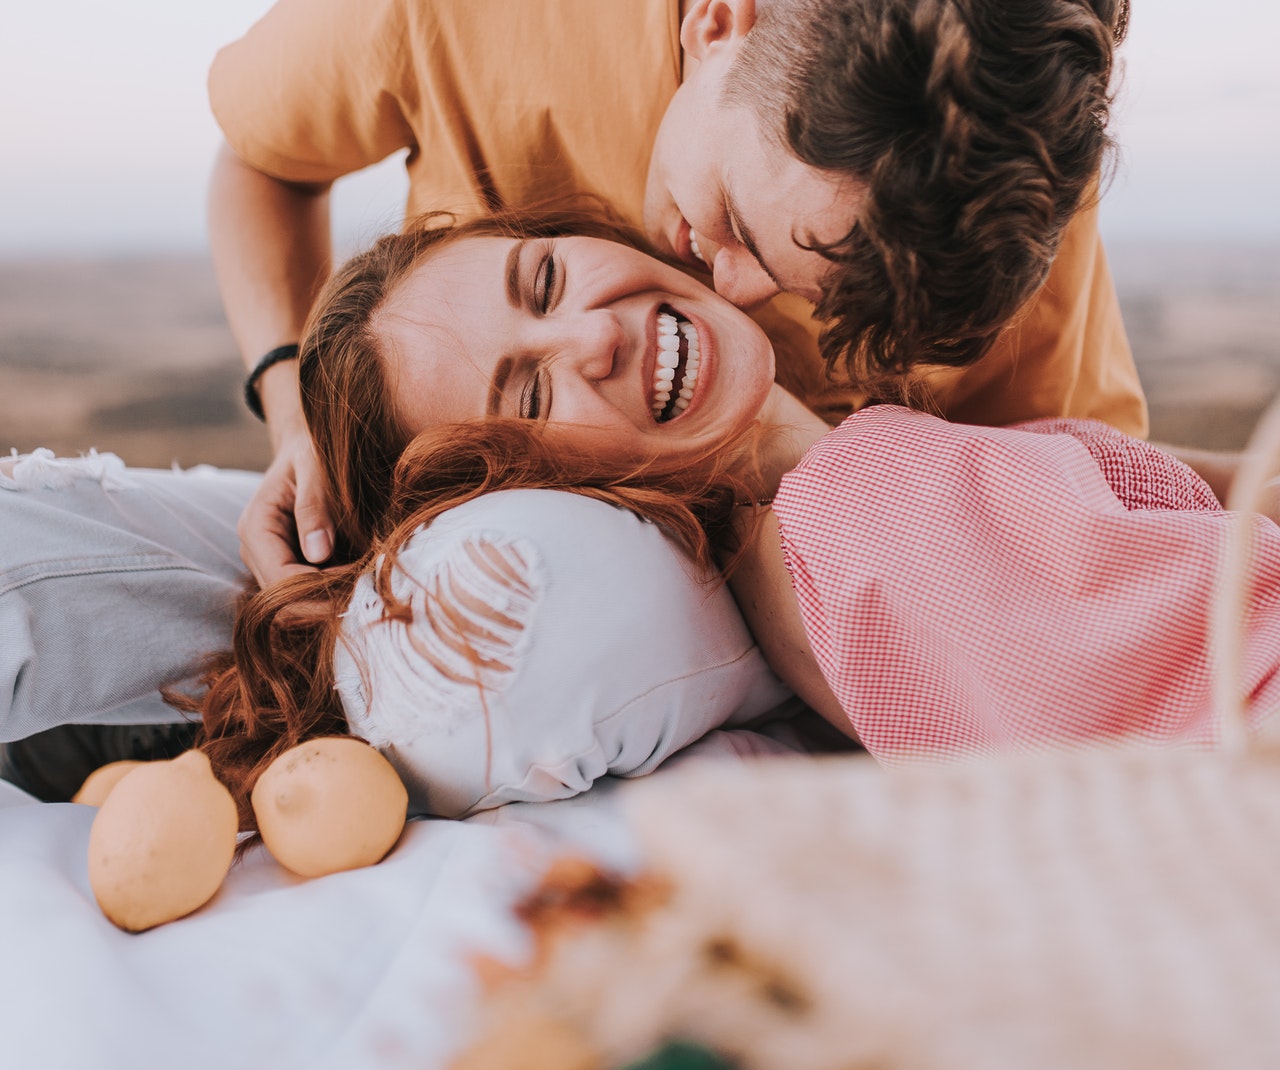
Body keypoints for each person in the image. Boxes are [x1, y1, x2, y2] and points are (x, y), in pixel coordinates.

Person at [205, 0, 1143, 586]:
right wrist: (296, 416)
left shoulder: (999, 188)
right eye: (734, 220)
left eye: (804, 289)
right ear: (718, 27)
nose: (733, 291)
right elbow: (263, 164)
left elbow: (1076, 513)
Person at [194, 209, 1280, 816]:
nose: (593, 337)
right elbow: (1197, 726)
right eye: (526, 394)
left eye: (545, 277)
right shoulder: (851, 518)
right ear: (521, 485)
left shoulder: (863, 472)